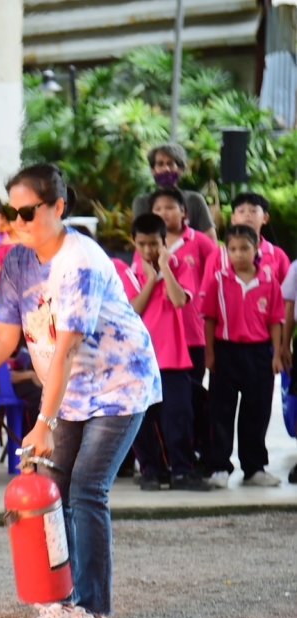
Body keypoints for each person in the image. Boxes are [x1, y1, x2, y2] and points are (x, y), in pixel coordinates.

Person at [0, 164, 161, 618]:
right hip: (67, 388)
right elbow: (2, 339)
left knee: (86, 487)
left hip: (118, 384)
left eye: (28, 211)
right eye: (11, 212)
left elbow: (65, 350)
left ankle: (92, 610)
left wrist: (42, 422)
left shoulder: (79, 262)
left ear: (59, 208)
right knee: (53, 488)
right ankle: (58, 603)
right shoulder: (18, 263)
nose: (17, 221)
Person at [122, 214, 205, 491]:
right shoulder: (127, 272)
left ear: (164, 242)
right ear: (134, 242)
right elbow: (134, 309)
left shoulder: (180, 266)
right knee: (142, 420)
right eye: (143, 244)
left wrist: (164, 269)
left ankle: (181, 470)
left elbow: (179, 299)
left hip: (174, 358)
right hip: (139, 361)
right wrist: (149, 280)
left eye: (154, 244)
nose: (148, 250)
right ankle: (151, 471)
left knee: (178, 417)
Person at [200, 225, 285, 488]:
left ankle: (254, 468)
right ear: (226, 251)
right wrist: (210, 353)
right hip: (226, 352)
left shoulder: (269, 281)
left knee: (256, 412)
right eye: (233, 249)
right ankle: (219, 467)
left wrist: (277, 354)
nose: (239, 254)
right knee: (221, 411)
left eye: (245, 248)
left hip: (259, 353)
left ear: (256, 249)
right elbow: (210, 319)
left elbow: (276, 320)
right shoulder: (219, 280)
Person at [147, 187, 216, 467]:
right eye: (158, 209)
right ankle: (166, 459)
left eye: (170, 207)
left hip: (193, 335)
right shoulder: (147, 247)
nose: (164, 213)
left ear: (184, 212)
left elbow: (213, 281)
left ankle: (195, 451)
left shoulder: (200, 242)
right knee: (163, 402)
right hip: (160, 341)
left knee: (193, 399)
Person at [131, 144, 216, 240]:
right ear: (153, 170)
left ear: (181, 169)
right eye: (160, 164)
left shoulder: (194, 200)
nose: (166, 169)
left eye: (170, 164)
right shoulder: (142, 202)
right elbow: (140, 241)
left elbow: (211, 241)